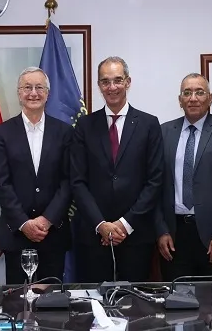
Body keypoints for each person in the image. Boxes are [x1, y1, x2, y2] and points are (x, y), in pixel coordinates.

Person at [70, 56, 164, 283]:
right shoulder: (84, 126)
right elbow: (77, 181)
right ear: (99, 85)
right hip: (94, 236)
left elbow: (155, 181)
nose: (111, 87)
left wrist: (124, 224)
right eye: (105, 81)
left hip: (136, 235)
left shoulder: (149, 124)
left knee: (134, 302)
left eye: (117, 80)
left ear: (128, 82)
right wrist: (101, 225)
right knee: (93, 300)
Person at [155, 73, 212, 280]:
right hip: (174, 237)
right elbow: (155, 186)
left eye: (199, 92)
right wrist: (161, 230)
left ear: (210, 98)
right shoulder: (164, 132)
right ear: (180, 100)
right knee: (177, 297)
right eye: (187, 93)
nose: (193, 98)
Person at [0, 67, 73, 284]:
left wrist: (47, 220)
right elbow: (1, 183)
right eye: (27, 87)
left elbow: (68, 181)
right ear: (19, 93)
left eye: (39, 87)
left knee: (51, 299)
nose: (33, 93)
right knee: (17, 299)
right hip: (16, 234)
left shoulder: (65, 132)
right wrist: (24, 223)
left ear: (48, 93)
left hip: (53, 233)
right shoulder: (2, 132)